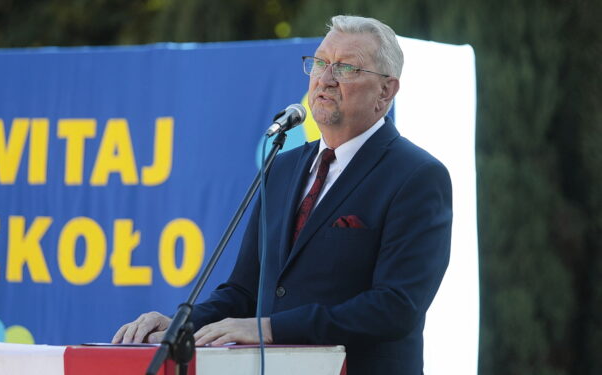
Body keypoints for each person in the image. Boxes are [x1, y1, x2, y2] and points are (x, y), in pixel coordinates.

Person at [113, 15, 452, 374]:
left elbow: (395, 307)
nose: (326, 78)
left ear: (386, 91)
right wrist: (179, 323)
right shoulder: (282, 167)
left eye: (347, 68)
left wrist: (272, 329)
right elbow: (245, 292)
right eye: (320, 63)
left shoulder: (416, 176)